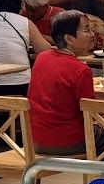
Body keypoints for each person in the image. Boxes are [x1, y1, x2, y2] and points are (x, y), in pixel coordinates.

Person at [28, 10, 97, 155]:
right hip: (67, 142)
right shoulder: (81, 70)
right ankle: (101, 176)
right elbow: (92, 114)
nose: (92, 34)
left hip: (35, 140)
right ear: (69, 39)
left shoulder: (42, 58)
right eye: (86, 29)